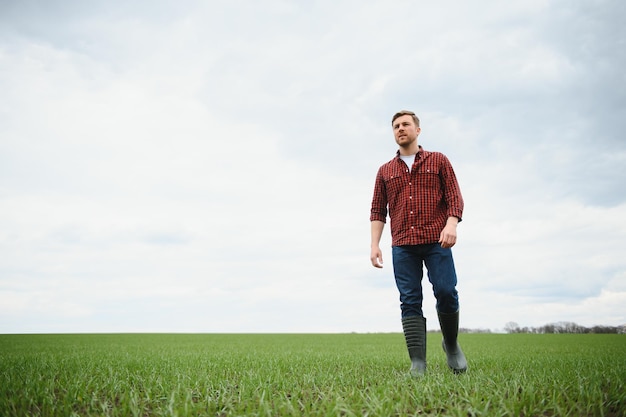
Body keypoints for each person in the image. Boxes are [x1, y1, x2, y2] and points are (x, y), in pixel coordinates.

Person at [370, 110, 467, 376]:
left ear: (418, 130)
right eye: (396, 126)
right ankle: (418, 362)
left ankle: (451, 344)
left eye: (405, 124)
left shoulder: (438, 161)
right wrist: (374, 245)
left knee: (446, 291)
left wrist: (451, 224)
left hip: (437, 241)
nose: (400, 129)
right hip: (402, 244)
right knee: (410, 299)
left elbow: (454, 198)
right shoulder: (385, 171)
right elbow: (378, 211)